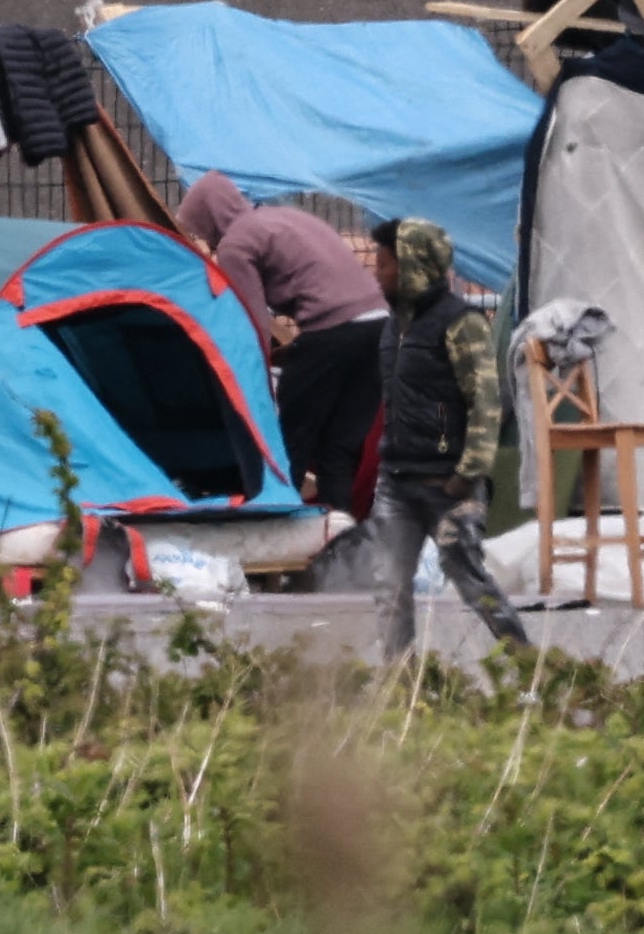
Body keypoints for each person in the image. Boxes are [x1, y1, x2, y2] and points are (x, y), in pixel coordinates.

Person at [177, 173, 391, 509]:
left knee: (291, 440)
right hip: (379, 326)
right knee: (339, 447)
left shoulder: (236, 242)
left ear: (210, 218)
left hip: (330, 331)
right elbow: (333, 290)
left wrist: (249, 377)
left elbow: (252, 322)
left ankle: (278, 521)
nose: (205, 238)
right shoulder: (286, 217)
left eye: (200, 229)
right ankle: (339, 534)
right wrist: (290, 355)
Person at [368, 218, 530, 660]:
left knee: (472, 581)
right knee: (389, 587)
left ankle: (529, 667)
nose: (376, 272)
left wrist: (469, 472)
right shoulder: (393, 327)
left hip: (447, 483)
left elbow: (485, 399)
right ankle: (400, 685)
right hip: (397, 480)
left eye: (383, 263)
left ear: (412, 267)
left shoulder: (461, 324)